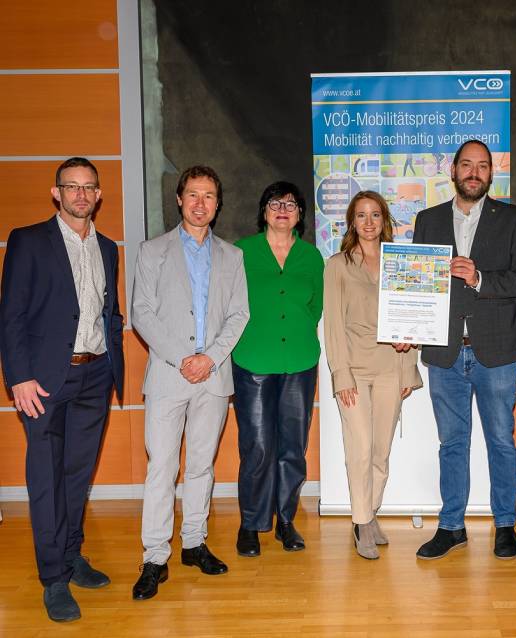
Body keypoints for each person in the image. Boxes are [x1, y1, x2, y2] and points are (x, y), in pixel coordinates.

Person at [0, 157, 124, 622]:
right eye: (71, 186)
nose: (80, 194)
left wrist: (113, 352)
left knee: (76, 476)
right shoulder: (29, 241)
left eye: (88, 187)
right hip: (44, 382)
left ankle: (72, 556)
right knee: (46, 480)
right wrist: (18, 376)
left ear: (98, 195)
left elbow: (103, 311)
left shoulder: (108, 247)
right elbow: (10, 314)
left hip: (95, 376)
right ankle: (53, 577)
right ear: (56, 193)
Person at [412, 140, 516, 560]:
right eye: (466, 164)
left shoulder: (513, 218)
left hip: (498, 352)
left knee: (501, 440)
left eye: (482, 166)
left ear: (490, 174)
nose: (474, 172)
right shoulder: (426, 220)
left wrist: (481, 278)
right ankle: (451, 527)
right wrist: (407, 326)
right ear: (452, 170)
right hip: (445, 351)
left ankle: (505, 524)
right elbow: (416, 288)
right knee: (452, 443)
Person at [130, 166, 249, 600]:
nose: (201, 203)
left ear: (218, 204)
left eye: (209, 196)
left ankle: (194, 543)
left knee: (201, 465)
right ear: (179, 200)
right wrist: (184, 359)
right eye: (193, 195)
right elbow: (141, 312)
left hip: (213, 377)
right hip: (167, 375)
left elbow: (239, 314)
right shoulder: (151, 251)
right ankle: (154, 557)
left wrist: (209, 359)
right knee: (161, 467)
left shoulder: (232, 257)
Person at [324, 191, 422, 559]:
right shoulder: (337, 265)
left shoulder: (402, 264)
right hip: (354, 370)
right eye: (361, 216)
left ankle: (371, 513)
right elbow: (332, 325)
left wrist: (408, 368)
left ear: (385, 221)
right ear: (352, 221)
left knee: (381, 451)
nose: (368, 223)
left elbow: (413, 318)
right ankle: (361, 522)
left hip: (390, 371)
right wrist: (340, 375)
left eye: (375, 215)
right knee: (360, 449)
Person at [231, 182, 324, 556]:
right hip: (253, 359)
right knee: (257, 446)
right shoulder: (241, 252)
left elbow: (313, 307)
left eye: (290, 203)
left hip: (299, 361)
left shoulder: (311, 257)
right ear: (264, 211)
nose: (282, 209)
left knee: (293, 447)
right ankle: (251, 524)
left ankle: (285, 520)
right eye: (274, 203)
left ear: (300, 214)